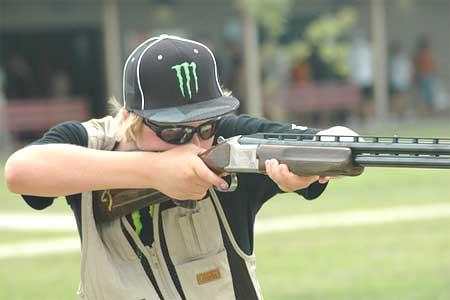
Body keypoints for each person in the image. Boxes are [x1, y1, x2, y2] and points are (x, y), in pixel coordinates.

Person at [5, 34, 357, 300]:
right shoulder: (91, 142)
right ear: (130, 118)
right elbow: (20, 171)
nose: (195, 143)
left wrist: (319, 159)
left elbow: (333, 140)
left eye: (205, 127)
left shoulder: (231, 141)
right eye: (173, 131)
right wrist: (153, 172)